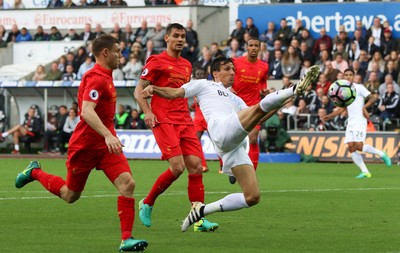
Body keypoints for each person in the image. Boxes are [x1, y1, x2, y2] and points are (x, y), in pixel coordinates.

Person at [140, 57, 320, 231]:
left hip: (233, 145)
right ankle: (293, 88)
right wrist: (155, 89)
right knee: (256, 108)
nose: (232, 72)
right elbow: (176, 93)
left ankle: (201, 210)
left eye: (233, 69)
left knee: (252, 197)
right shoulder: (204, 84)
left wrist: (280, 104)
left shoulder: (236, 99)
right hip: (220, 129)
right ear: (215, 73)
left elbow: (259, 116)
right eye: (227, 69)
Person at [14, 34, 148, 252]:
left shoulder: (107, 75)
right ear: (105, 53)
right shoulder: (95, 77)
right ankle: (34, 172)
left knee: (128, 184)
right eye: (117, 51)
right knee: (70, 195)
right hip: (85, 146)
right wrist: (107, 134)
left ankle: (126, 239)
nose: (120, 55)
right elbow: (86, 111)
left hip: (105, 147)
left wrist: (107, 136)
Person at [133, 23, 218, 232]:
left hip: (184, 120)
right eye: (176, 36)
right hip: (164, 119)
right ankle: (148, 202)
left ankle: (198, 218)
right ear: (167, 39)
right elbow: (139, 90)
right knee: (178, 167)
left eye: (183, 36)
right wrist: (148, 112)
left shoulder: (187, 65)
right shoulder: (156, 61)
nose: (180, 39)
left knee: (196, 166)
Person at [322, 69, 392, 179]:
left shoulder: (359, 87)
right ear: (344, 76)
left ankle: (382, 154)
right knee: (351, 148)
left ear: (354, 76)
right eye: (346, 75)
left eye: (350, 75)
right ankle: (365, 172)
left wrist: (364, 107)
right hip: (351, 122)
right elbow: (343, 107)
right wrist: (330, 116)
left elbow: (373, 98)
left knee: (359, 146)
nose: (348, 77)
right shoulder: (343, 90)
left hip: (360, 120)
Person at [230, 37, 268, 183]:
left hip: (253, 106)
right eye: (250, 45)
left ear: (259, 48)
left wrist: (264, 90)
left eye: (256, 46)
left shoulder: (264, 66)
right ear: (246, 47)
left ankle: (251, 173)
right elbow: (228, 77)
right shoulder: (236, 62)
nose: (253, 48)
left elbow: (263, 82)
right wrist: (230, 88)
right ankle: (231, 168)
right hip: (236, 106)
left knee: (253, 138)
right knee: (233, 140)